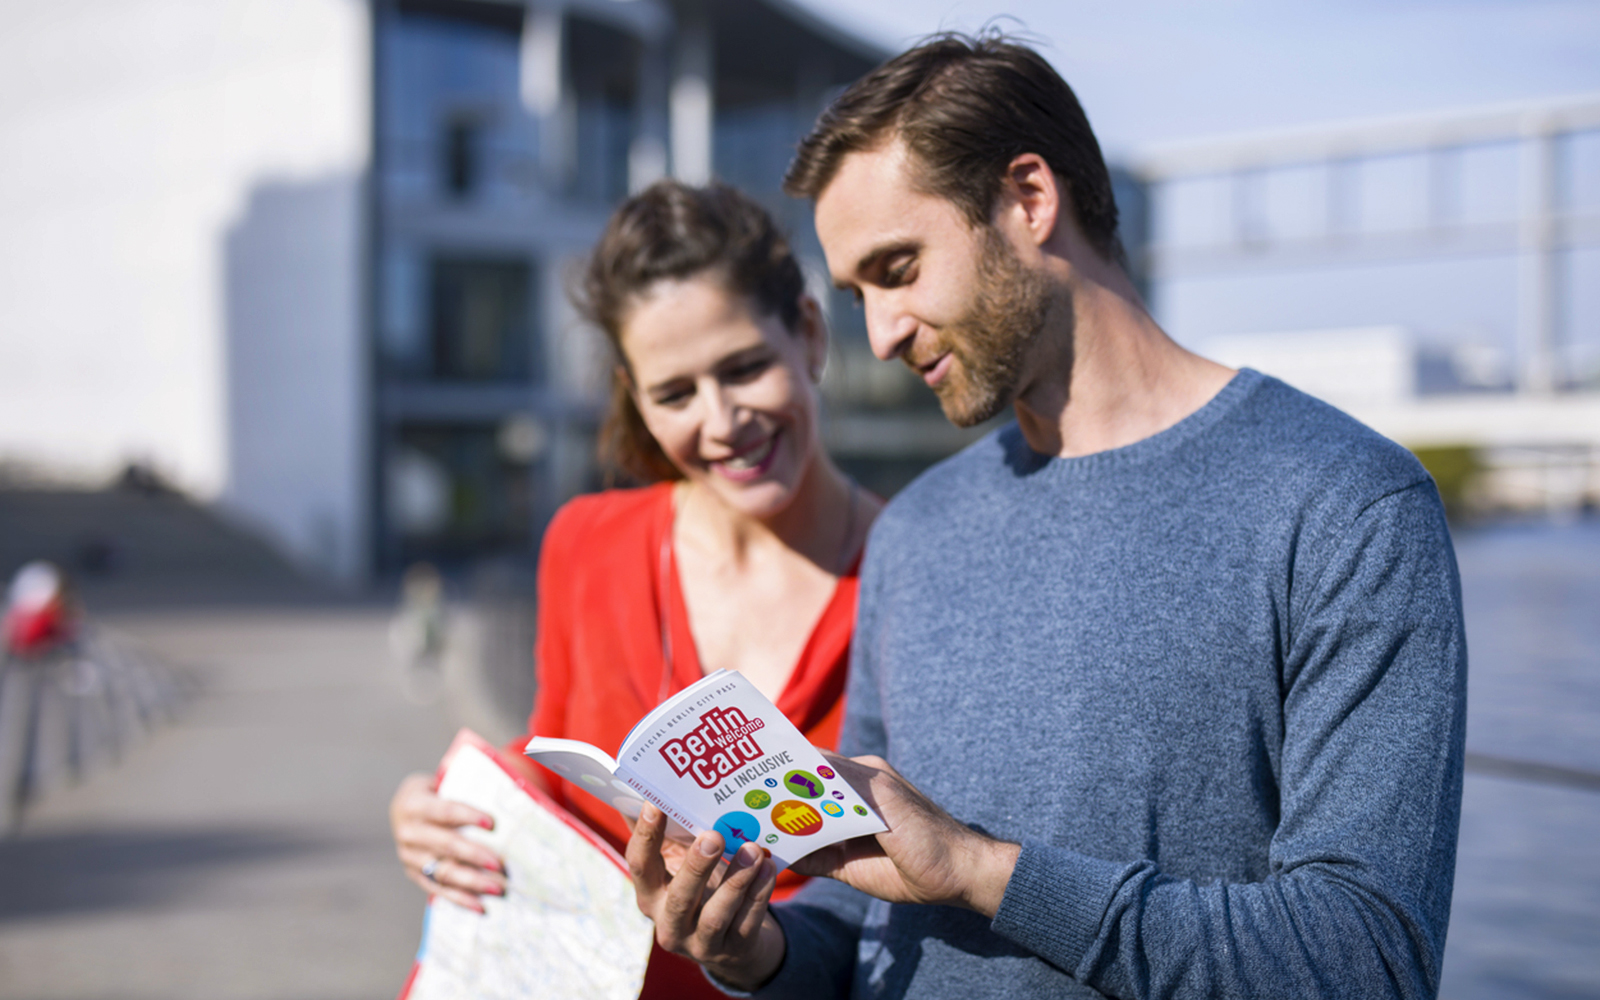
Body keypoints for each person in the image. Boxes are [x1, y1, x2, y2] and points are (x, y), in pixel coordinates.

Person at [626, 34, 1467, 1000]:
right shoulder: (916, 531)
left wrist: (984, 873)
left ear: (1029, 198)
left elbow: (1366, 963)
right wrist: (754, 952)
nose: (881, 333)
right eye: (857, 293)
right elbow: (861, 923)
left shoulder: (1347, 504)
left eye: (897, 268)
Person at [388, 180, 882, 999]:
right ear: (635, 397)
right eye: (676, 393)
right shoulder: (588, 541)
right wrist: (443, 809)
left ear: (808, 332)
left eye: (745, 367)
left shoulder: (909, 570)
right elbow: (556, 766)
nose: (722, 421)